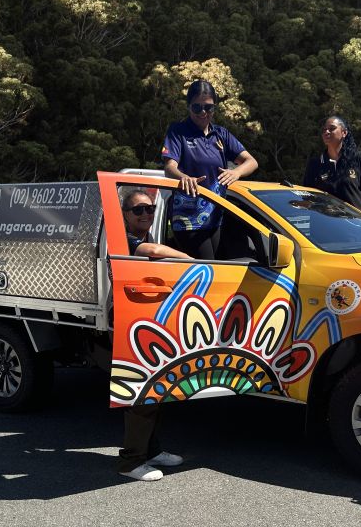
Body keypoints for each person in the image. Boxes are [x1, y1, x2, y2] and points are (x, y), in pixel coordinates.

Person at [117, 188, 188, 482]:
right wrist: (188, 257)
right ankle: (131, 461)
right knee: (141, 393)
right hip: (126, 322)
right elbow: (153, 253)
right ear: (125, 215)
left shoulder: (148, 235)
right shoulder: (130, 241)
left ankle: (151, 451)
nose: (145, 214)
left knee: (155, 392)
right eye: (138, 210)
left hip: (147, 322)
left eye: (149, 209)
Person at [161, 79, 258, 259]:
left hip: (216, 217)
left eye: (208, 107)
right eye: (197, 108)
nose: (203, 112)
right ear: (188, 107)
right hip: (188, 220)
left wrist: (236, 172)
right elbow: (169, 167)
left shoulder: (220, 133)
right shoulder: (178, 131)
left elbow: (251, 162)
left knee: (219, 268)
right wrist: (184, 177)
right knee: (206, 271)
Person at [303, 115, 361, 222]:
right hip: (328, 227)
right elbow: (307, 197)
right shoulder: (315, 163)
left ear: (344, 133)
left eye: (332, 128)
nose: (326, 132)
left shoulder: (357, 158)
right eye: (324, 130)